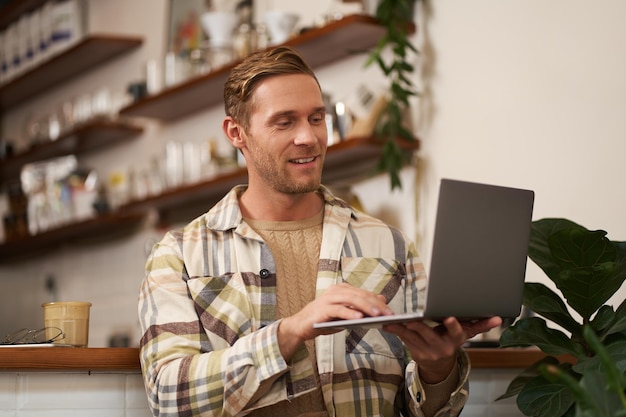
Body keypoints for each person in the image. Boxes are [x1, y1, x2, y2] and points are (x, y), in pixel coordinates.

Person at [138, 46, 501, 417]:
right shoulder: (179, 255)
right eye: (285, 122)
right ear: (237, 133)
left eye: (316, 118)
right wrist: (290, 332)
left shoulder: (389, 245)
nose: (308, 137)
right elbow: (168, 396)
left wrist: (438, 370)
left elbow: (419, 408)